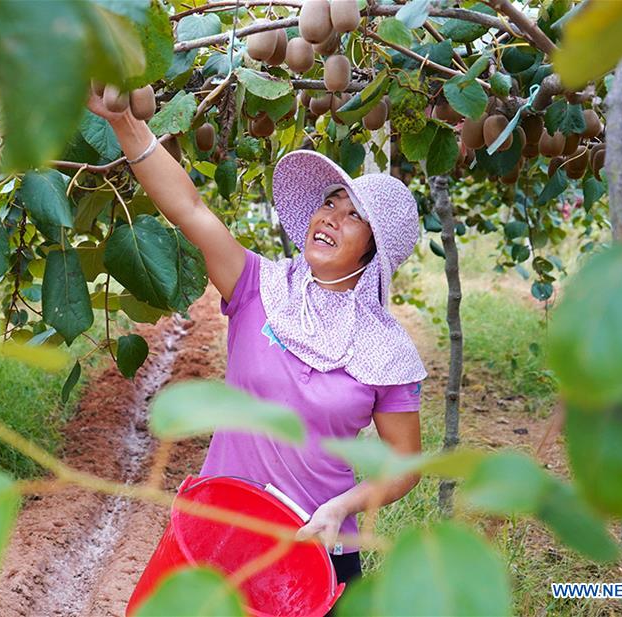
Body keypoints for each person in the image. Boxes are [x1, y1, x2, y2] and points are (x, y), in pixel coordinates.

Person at [87, 87, 427, 606]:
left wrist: (342, 507)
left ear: (373, 251)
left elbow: (404, 464)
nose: (330, 216)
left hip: (314, 552)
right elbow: (191, 210)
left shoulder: (387, 352)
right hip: (220, 532)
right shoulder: (259, 288)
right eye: (328, 203)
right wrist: (124, 125)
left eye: (352, 215)